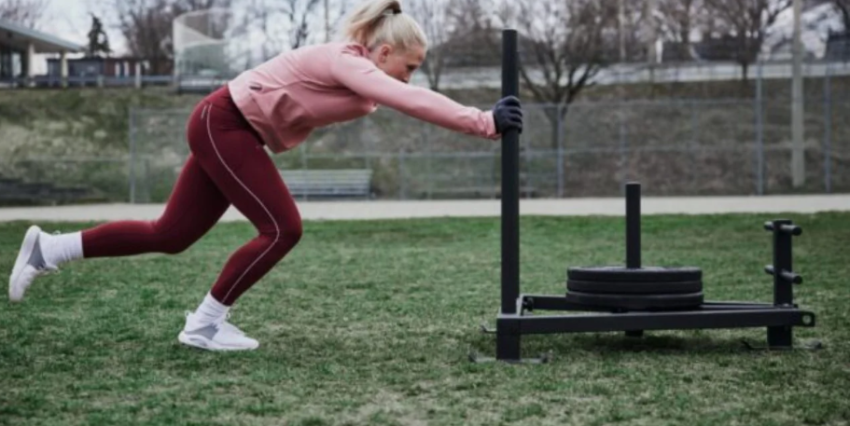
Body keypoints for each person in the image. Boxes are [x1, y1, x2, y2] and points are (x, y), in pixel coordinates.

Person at [7, 0, 523, 352]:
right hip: (224, 123)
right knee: (282, 228)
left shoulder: (361, 77)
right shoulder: (348, 61)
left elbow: (399, 94)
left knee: (171, 234)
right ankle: (205, 325)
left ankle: (48, 250)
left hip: (228, 128)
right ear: (384, 53)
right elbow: (411, 100)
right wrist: (484, 121)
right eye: (409, 66)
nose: (412, 76)